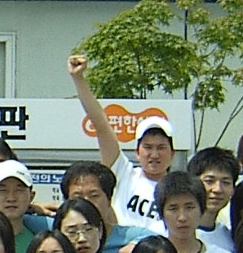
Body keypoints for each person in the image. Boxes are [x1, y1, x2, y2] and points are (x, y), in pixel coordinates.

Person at [70, 52, 170, 233]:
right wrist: (78, 79)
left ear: (173, 153)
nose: (154, 154)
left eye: (161, 148)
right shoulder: (124, 174)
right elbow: (101, 126)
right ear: (137, 152)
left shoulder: (178, 190)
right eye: (147, 147)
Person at [144, 171, 235, 253]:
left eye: (189, 207)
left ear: (201, 210)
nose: (182, 217)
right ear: (161, 214)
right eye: (173, 208)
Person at [59, 161, 154, 253]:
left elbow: (160, 241)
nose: (86, 202)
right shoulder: (54, 232)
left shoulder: (129, 237)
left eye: (94, 195)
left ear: (109, 200)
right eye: (78, 197)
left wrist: (138, 245)